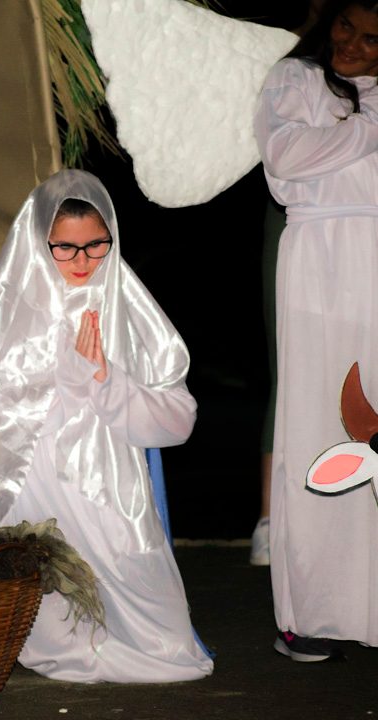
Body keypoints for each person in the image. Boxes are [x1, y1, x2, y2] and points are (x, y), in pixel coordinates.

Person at [0, 169, 213, 683]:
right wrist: (58, 382)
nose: (83, 262)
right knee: (56, 601)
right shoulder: (12, 308)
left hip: (111, 479)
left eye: (96, 246)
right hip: (39, 476)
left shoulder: (130, 306)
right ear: (38, 243)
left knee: (173, 645)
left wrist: (107, 383)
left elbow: (179, 417)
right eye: (65, 249)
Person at [254, 0, 378, 662]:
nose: (353, 46)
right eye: (346, 28)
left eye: (372, 39)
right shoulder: (293, 80)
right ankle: (308, 611)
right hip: (317, 256)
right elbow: (285, 157)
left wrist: (350, 134)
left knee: (375, 430)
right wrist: (368, 130)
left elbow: (316, 151)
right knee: (316, 427)